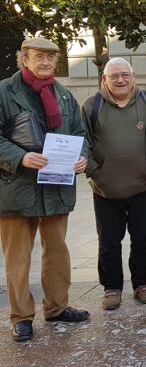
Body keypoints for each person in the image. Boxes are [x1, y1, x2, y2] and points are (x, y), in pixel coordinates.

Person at [0, 37, 89, 342]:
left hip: (56, 186)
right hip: (17, 186)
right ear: (23, 59)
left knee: (57, 252)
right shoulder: (4, 92)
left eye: (51, 58)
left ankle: (57, 306)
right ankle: (21, 316)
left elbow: (79, 133)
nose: (46, 63)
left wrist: (82, 157)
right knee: (18, 257)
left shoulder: (63, 95)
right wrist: (20, 157)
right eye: (39, 57)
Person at [82, 58, 146, 310]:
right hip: (106, 189)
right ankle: (112, 287)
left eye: (125, 74)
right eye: (114, 75)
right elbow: (83, 142)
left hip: (143, 185)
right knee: (109, 241)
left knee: (142, 237)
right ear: (104, 79)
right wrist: (96, 172)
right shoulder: (91, 106)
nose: (120, 80)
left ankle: (142, 283)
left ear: (133, 75)